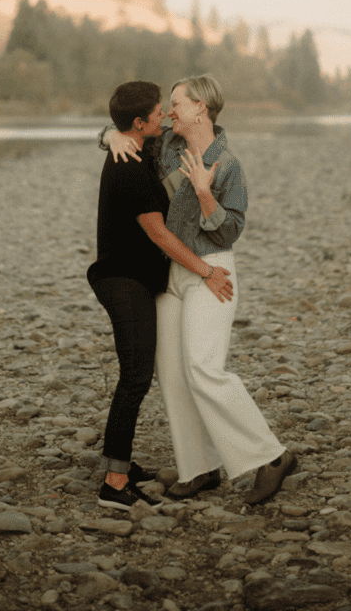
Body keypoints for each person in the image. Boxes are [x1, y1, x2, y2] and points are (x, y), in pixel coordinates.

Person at [103, 73, 297, 504]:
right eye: (168, 104)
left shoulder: (227, 165)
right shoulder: (165, 146)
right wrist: (110, 135)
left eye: (177, 102)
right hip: (168, 272)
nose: (170, 110)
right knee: (171, 374)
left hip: (211, 269)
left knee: (205, 369)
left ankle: (271, 457)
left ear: (200, 109)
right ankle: (199, 468)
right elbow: (130, 125)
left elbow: (229, 232)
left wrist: (206, 196)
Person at [88, 80, 233, 513]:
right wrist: (206, 270)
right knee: (134, 377)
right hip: (123, 281)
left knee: (137, 374)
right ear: (138, 123)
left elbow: (123, 132)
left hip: (134, 279)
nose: (165, 115)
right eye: (157, 112)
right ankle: (114, 483)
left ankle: (121, 464)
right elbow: (158, 233)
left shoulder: (139, 147)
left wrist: (108, 133)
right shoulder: (129, 165)